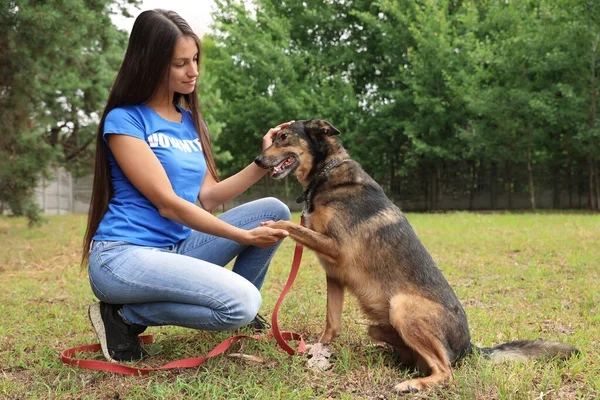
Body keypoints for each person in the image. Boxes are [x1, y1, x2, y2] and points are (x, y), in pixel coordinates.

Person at [81, 9, 292, 363]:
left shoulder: (191, 121)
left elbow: (208, 196)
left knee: (274, 210)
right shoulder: (125, 120)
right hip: (122, 256)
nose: (193, 71)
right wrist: (243, 236)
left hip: (175, 248)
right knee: (239, 303)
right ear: (151, 63)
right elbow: (168, 203)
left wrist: (264, 160)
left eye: (195, 59)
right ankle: (122, 316)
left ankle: (239, 311)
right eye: (181, 63)